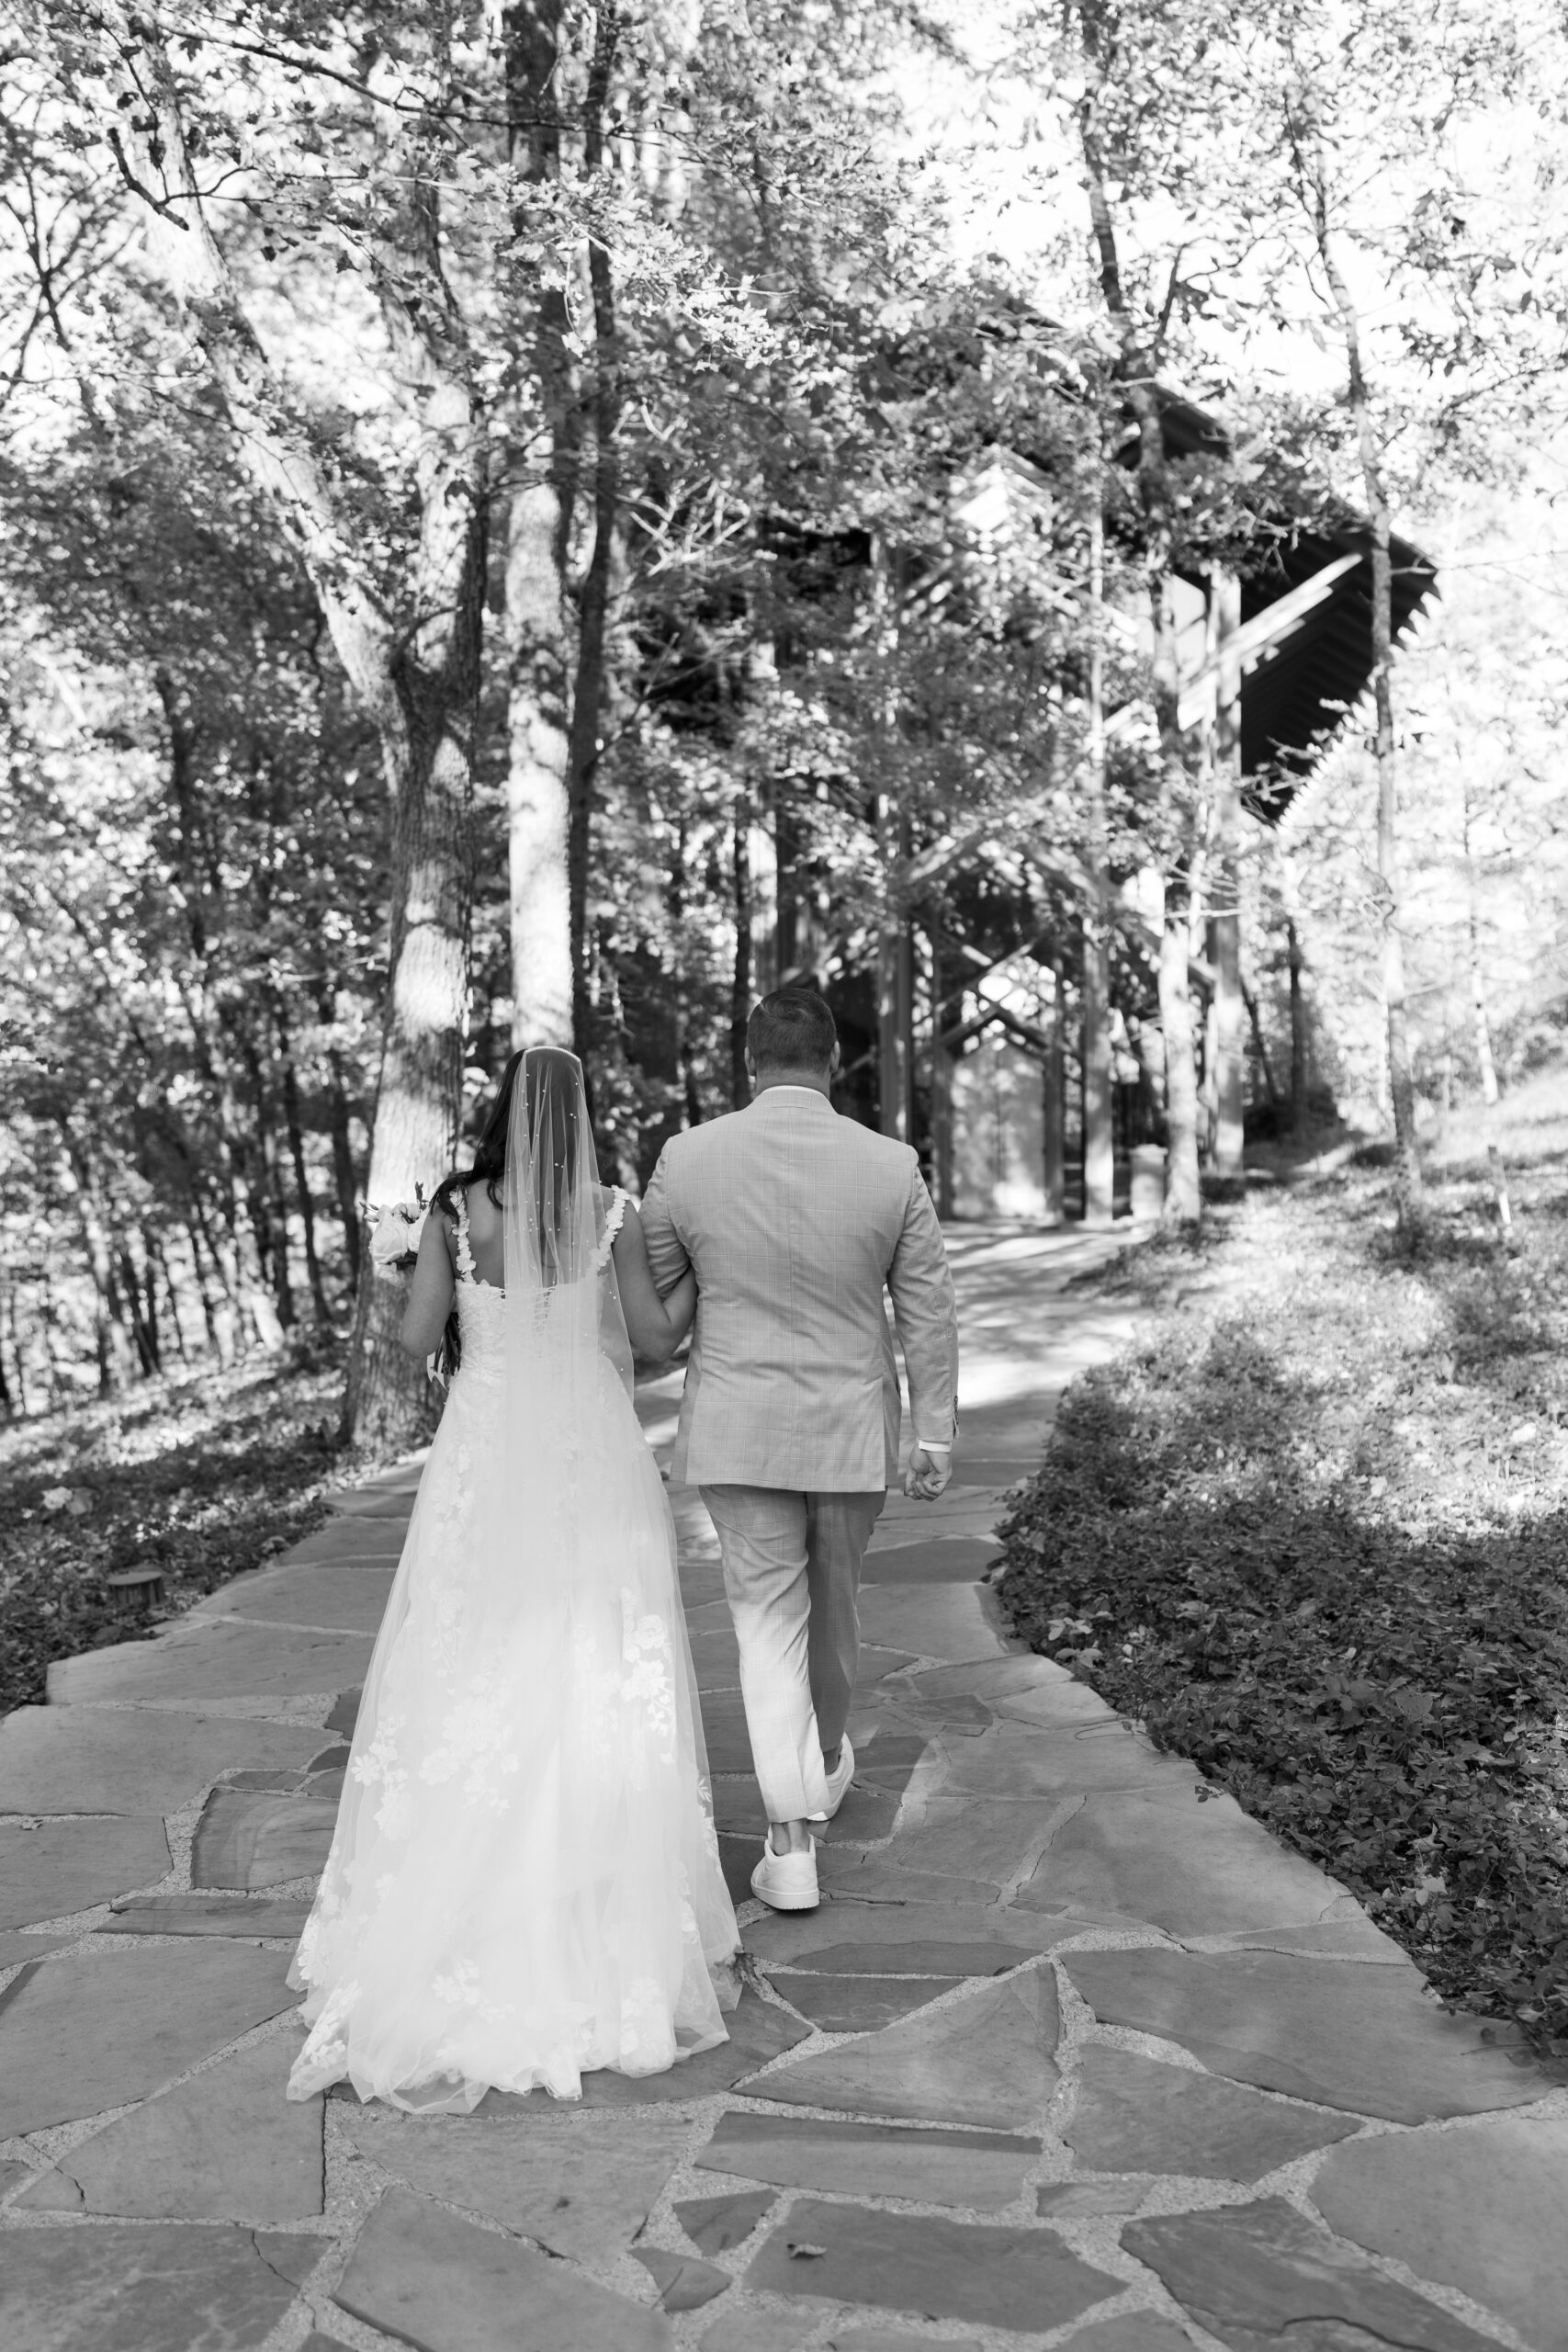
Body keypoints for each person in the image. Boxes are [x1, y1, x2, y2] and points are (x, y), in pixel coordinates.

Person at [285, 1047, 739, 2112]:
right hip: (587, 1444)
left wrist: (403, 1268)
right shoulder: (609, 1210)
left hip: (483, 1448)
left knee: (469, 1654)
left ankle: (457, 1892)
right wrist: (710, 1283)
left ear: (502, 1114)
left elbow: (410, 1338)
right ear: (579, 1117)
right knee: (598, 1658)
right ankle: (590, 1893)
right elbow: (656, 1339)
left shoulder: (455, 1208)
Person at [640, 987, 959, 1913]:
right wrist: (933, 1428)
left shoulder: (689, 1159)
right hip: (852, 1428)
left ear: (751, 1059)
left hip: (736, 1428)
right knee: (836, 1606)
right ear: (832, 1061)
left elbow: (656, 1303)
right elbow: (928, 1307)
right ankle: (818, 1763)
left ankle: (790, 1843)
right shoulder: (889, 1163)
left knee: (766, 1628)